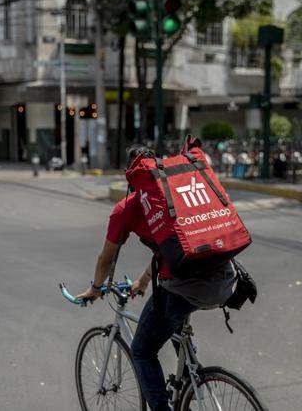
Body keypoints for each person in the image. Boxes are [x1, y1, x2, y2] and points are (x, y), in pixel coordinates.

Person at [76, 144, 237, 411]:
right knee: (172, 321)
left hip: (186, 288)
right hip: (224, 278)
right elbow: (170, 248)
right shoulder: (178, 194)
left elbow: (106, 258)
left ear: (130, 174)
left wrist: (95, 288)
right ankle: (191, 379)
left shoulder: (126, 209)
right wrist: (142, 281)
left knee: (142, 350)